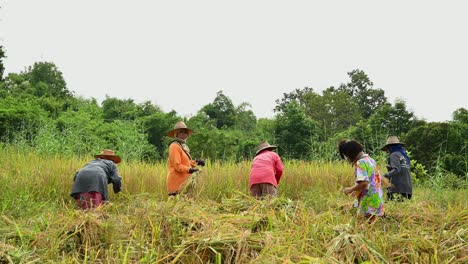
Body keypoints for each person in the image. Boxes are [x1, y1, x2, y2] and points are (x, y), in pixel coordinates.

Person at [339, 139, 384, 221]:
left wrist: (350, 189)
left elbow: (364, 183)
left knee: (364, 226)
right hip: (377, 200)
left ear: (350, 154)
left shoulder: (360, 163)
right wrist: (357, 189)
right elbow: (372, 181)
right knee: (372, 226)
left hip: (368, 203)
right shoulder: (371, 160)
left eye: (347, 157)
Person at [166, 121, 205, 196]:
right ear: (176, 134)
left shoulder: (183, 146)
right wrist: (189, 170)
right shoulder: (174, 146)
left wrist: (197, 162)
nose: (183, 134)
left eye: (185, 132)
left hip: (184, 183)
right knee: (176, 206)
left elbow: (186, 162)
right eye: (181, 132)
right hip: (176, 184)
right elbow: (177, 165)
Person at [381, 136, 413, 201]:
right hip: (408, 190)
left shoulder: (394, 155)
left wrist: (384, 176)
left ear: (390, 147)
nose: (387, 152)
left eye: (387, 149)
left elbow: (397, 169)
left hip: (397, 190)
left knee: (389, 208)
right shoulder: (404, 156)